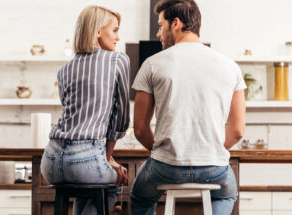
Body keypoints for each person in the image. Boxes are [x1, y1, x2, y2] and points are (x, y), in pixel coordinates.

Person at [130, 0, 246, 214]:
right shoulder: (230, 66)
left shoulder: (152, 64)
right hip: (215, 167)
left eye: (160, 25)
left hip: (166, 166)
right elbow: (238, 130)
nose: (158, 33)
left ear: (175, 24)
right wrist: (209, 150)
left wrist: (165, 153)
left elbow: (139, 129)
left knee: (140, 196)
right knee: (227, 194)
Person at [40, 5, 130, 215]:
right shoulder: (118, 60)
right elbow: (121, 119)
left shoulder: (64, 70)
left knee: (89, 187)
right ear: (98, 31)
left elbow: (71, 112)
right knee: (116, 181)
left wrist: (104, 160)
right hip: (85, 160)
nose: (118, 37)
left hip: (51, 161)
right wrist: (107, 157)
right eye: (115, 30)